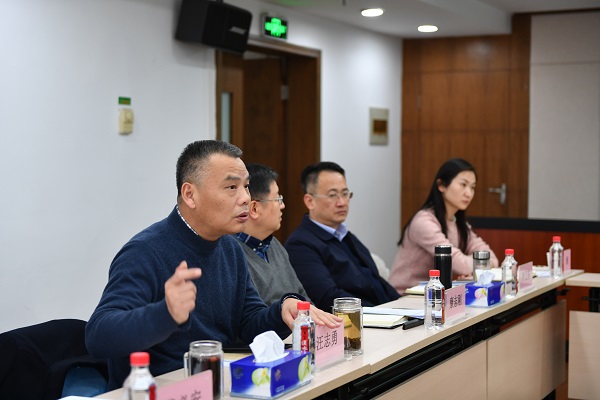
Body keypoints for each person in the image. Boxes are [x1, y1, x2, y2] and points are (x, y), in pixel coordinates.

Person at [85, 140, 341, 389]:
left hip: (218, 384)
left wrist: (282, 309)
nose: (245, 198)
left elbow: (249, 324)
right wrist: (165, 313)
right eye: (231, 187)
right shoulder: (145, 252)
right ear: (190, 194)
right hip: (163, 391)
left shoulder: (230, 248)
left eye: (246, 186)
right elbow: (97, 336)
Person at [285, 161, 400, 311]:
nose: (342, 203)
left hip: (384, 315)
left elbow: (376, 281)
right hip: (359, 320)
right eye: (333, 195)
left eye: (345, 194)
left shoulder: (344, 235)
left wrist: (401, 306)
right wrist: (382, 313)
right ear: (310, 201)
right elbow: (328, 297)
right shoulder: (300, 244)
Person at [388, 158, 498, 294]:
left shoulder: (458, 223)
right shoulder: (424, 221)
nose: (469, 193)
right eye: (463, 185)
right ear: (441, 185)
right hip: (404, 297)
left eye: (472, 187)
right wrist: (480, 265)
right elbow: (460, 264)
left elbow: (491, 257)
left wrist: (476, 265)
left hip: (434, 295)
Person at [233, 163, 310, 305]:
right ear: (254, 209)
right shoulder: (231, 253)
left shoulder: (274, 245)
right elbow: (252, 313)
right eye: (278, 199)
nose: (283, 205)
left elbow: (302, 296)